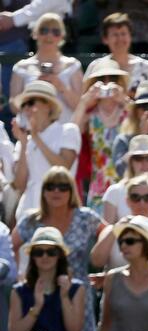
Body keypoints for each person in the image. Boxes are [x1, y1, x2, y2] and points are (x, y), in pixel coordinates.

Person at [11, 167, 103, 331]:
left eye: (63, 186)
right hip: (37, 288)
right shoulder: (32, 220)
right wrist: (18, 276)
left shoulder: (85, 217)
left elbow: (110, 232)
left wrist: (104, 267)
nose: (56, 191)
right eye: (50, 186)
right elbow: (10, 243)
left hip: (74, 294)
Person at [8, 227, 84, 331]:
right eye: (38, 252)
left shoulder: (75, 289)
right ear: (32, 257)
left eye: (51, 252)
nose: (45, 256)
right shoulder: (19, 291)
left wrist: (64, 297)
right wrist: (36, 307)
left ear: (60, 256)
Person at [10, 80, 80, 221]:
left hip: (60, 210)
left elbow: (64, 167)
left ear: (48, 106)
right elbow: (19, 184)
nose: (27, 109)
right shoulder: (23, 141)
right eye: (24, 105)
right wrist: (24, 143)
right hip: (27, 212)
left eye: (31, 103)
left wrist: (35, 137)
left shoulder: (67, 130)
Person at [71, 59, 130, 214]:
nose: (106, 83)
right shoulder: (90, 116)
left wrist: (124, 100)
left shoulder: (127, 112)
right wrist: (84, 102)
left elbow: (142, 127)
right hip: (98, 187)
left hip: (127, 184)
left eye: (112, 79)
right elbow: (71, 133)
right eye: (101, 80)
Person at [93, 175, 148, 275]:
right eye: (135, 197)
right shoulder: (111, 230)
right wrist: (115, 230)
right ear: (127, 201)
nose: (142, 203)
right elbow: (97, 262)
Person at [9, 13, 82, 124]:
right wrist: (34, 89)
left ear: (62, 36)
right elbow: (14, 107)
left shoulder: (73, 66)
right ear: (35, 33)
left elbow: (80, 106)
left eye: (55, 32)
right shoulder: (21, 67)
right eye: (44, 30)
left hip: (62, 134)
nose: (49, 36)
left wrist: (60, 86)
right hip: (29, 132)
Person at [83, 13, 148, 89]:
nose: (120, 39)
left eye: (123, 34)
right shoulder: (96, 66)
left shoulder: (146, 66)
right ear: (105, 39)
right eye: (115, 34)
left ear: (130, 36)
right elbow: (84, 96)